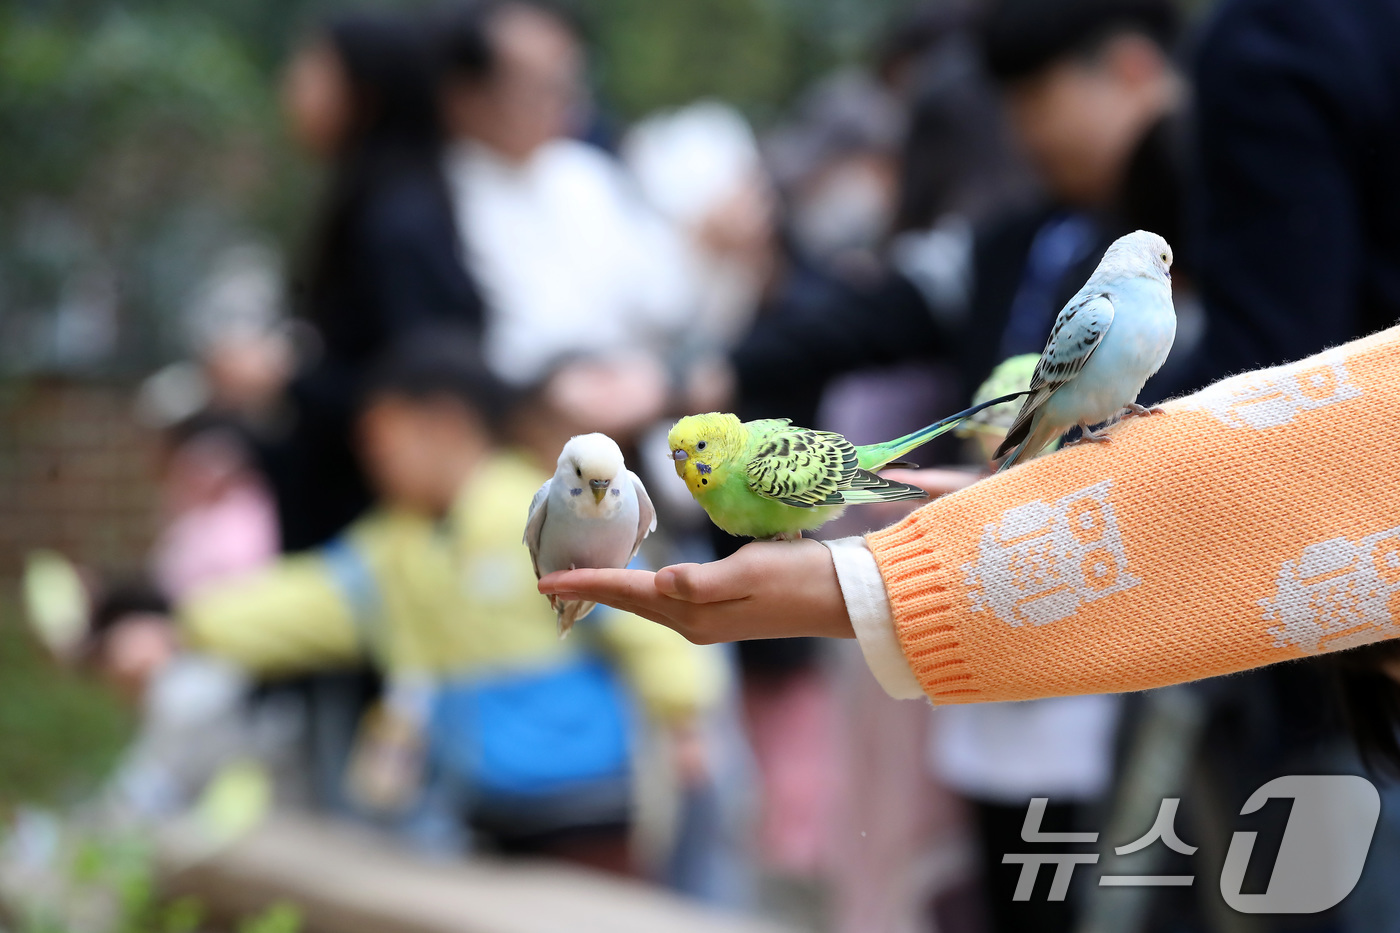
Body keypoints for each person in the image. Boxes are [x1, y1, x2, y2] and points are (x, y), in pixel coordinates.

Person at [94, 337, 722, 871]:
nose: (376, 463)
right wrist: (180, 628)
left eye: (384, 443)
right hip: (468, 805)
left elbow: (647, 611)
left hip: (585, 797)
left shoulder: (543, 510)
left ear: (444, 424)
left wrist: (685, 718)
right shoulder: (394, 547)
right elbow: (305, 601)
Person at [274, 13, 485, 551]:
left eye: (313, 71)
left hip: (378, 518)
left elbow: (420, 373)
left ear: (363, 92)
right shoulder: (382, 199)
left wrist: (287, 378)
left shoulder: (397, 219)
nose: (292, 86)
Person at [435, 0, 692, 432]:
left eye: (568, 79)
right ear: (466, 94)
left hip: (643, 417)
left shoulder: (587, 174)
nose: (563, 97)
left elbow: (665, 300)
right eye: (538, 85)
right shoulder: (436, 197)